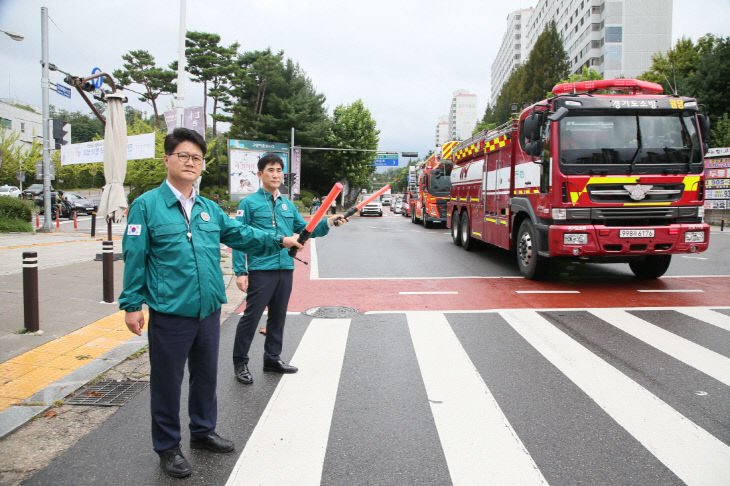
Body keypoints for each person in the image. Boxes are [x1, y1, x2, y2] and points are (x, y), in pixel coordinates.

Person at [118, 128, 302, 479]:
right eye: (184, 156)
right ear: (167, 159)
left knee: (205, 376)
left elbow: (241, 235)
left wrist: (279, 240)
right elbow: (135, 257)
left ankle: (202, 432)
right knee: (168, 382)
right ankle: (168, 447)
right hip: (170, 310)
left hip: (208, 309)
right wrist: (132, 304)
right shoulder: (147, 206)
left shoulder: (208, 208)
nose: (191, 162)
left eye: (197, 158)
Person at [232, 154, 347, 385]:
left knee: (278, 316)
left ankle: (272, 358)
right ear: (259, 174)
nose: (275, 175)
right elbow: (238, 237)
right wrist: (240, 271)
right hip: (260, 267)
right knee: (251, 317)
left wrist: (329, 222)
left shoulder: (287, 205)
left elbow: (306, 229)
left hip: (285, 267)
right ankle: (241, 362)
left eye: (278, 171)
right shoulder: (248, 204)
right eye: (270, 170)